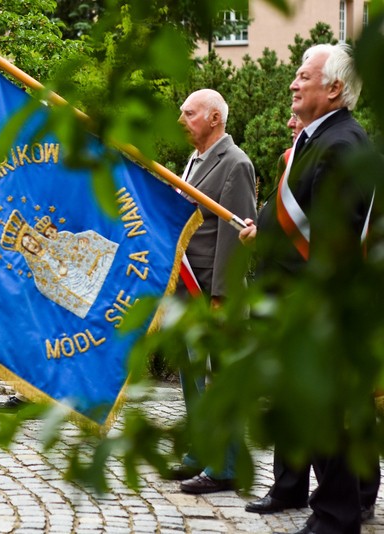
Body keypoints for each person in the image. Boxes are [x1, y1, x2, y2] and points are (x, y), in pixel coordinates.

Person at [240, 44, 379, 534]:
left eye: (303, 75)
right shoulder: (316, 139)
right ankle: (319, 499)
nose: (293, 84)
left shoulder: (341, 145)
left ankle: (339, 514)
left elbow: (334, 242)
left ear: (334, 88)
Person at [170, 89, 257, 494]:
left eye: (189, 113)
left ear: (214, 119)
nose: (181, 119)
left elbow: (234, 231)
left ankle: (226, 467)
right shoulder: (195, 160)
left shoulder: (235, 163)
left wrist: (221, 293)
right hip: (190, 288)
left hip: (213, 290)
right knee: (193, 376)